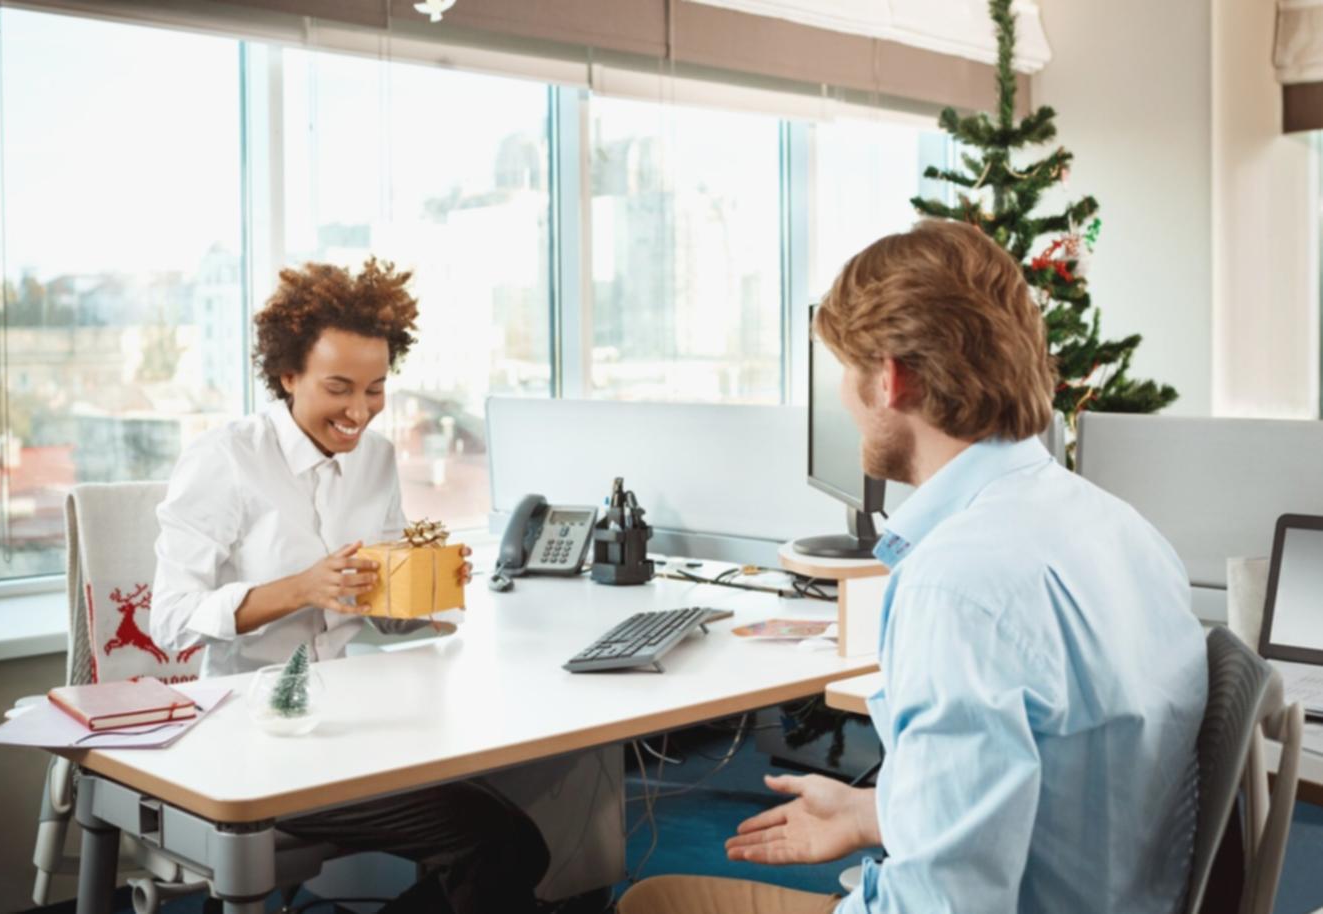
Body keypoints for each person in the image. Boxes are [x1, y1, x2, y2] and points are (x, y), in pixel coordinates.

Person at [620, 219, 1207, 914]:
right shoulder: (1120, 528)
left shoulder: (958, 585)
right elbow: (1063, 780)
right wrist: (873, 814)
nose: (842, 395)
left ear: (892, 380)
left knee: (653, 901)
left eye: (846, 367)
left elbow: (944, 904)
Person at [150, 257, 549, 914]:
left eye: (375, 388)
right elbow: (170, 617)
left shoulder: (376, 460)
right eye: (339, 387)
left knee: (520, 843)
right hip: (252, 732)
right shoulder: (226, 460)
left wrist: (425, 591)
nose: (359, 411)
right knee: (488, 842)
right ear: (287, 375)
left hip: (344, 715)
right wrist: (300, 588)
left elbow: (377, 614)